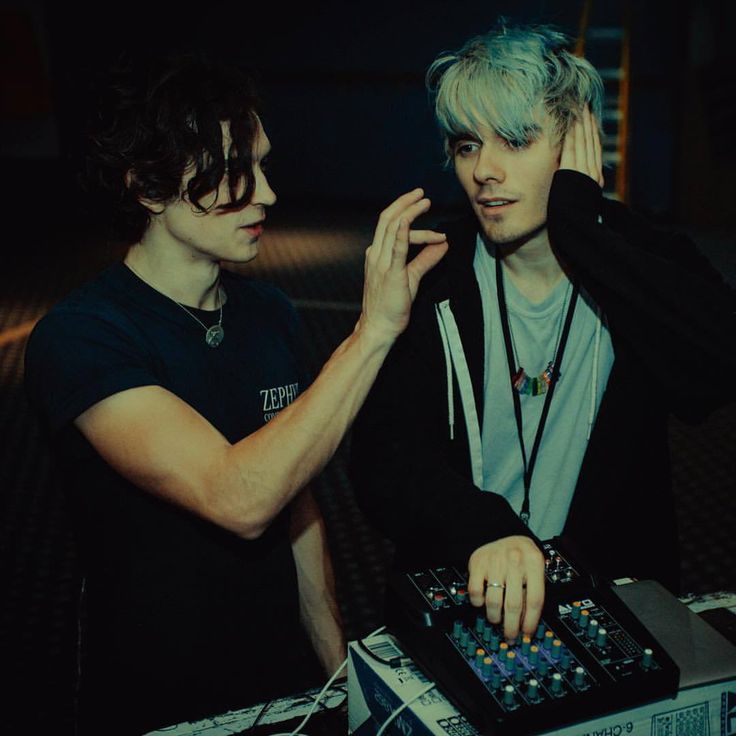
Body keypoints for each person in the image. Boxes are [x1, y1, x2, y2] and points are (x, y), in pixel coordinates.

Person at [23, 53, 447, 734]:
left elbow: (294, 498)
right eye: (232, 171)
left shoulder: (269, 312)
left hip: (282, 686)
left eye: (264, 164)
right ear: (150, 188)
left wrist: (336, 670)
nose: (268, 195)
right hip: (160, 699)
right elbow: (241, 497)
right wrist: (373, 331)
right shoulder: (82, 339)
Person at [350, 21, 736, 644]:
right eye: (468, 144)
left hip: (611, 604)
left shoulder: (640, 263)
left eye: (518, 139)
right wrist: (481, 526)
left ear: (577, 141)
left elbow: (715, 372)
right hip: (463, 596)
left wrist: (585, 233)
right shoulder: (431, 274)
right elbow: (382, 462)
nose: (485, 171)